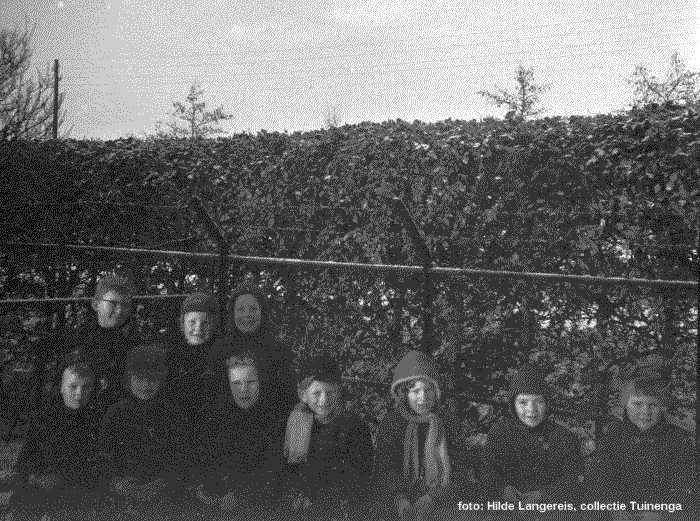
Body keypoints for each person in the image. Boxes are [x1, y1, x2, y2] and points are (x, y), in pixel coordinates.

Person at [583, 368, 698, 521]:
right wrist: (613, 509)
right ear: (625, 404)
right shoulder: (613, 434)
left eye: (653, 405)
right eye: (637, 403)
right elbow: (599, 480)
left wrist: (663, 513)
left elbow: (685, 484)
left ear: (662, 406)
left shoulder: (677, 438)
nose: (645, 411)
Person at [10, 350, 105, 518]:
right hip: (41, 494)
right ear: (61, 387)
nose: (79, 393)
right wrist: (36, 480)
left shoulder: (97, 423)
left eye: (86, 387)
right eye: (73, 386)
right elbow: (25, 465)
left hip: (80, 498)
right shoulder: (43, 420)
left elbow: (99, 471)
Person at [97, 343, 192, 512]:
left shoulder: (173, 413)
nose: (146, 385)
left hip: (164, 496)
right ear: (129, 379)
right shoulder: (115, 413)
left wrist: (156, 486)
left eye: (153, 378)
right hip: (122, 497)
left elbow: (181, 457)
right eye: (140, 378)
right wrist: (119, 484)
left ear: (162, 380)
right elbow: (103, 457)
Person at [193, 345, 286, 515]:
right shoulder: (216, 420)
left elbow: (272, 472)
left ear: (261, 382)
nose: (243, 390)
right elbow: (205, 462)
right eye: (236, 383)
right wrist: (212, 488)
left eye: (250, 382)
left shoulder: (274, 422)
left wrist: (239, 495)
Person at [280, 353, 374, 521]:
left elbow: (362, 478)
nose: (323, 400)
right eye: (316, 393)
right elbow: (289, 473)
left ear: (338, 391)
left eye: (329, 392)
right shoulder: (297, 423)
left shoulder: (354, 427)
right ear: (304, 394)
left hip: (342, 509)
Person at [480, 364, 583, 516]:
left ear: (547, 403)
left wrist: (544, 495)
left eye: (538, 402)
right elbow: (487, 470)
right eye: (523, 402)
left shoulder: (564, 437)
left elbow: (573, 479)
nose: (531, 409)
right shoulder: (499, 433)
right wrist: (503, 489)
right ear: (512, 404)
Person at [373, 350, 452, 521]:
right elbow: (385, 466)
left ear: (436, 392)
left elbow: (459, 464)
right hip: (397, 498)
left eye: (428, 390)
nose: (423, 397)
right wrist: (399, 498)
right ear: (404, 393)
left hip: (439, 498)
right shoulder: (391, 423)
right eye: (415, 391)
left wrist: (433, 497)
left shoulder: (446, 423)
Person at [226, 280, 296, 418]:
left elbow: (289, 398)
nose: (247, 315)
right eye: (241, 309)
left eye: (253, 309)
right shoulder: (220, 351)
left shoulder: (280, 352)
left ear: (262, 312)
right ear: (233, 313)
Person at [164, 292, 220, 420]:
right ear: (183, 324)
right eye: (192, 322)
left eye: (205, 322)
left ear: (213, 325)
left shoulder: (221, 357)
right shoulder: (169, 359)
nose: (198, 328)